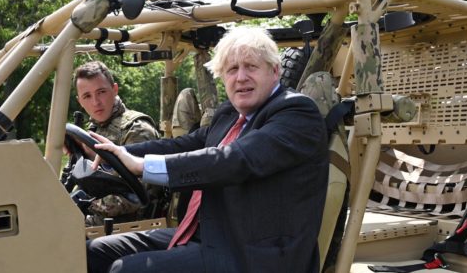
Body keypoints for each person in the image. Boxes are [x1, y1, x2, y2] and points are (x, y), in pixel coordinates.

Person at [86, 27, 329, 273]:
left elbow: (236, 159)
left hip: (257, 255)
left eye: (251, 67)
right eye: (232, 70)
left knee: (127, 270)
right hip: (211, 234)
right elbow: (182, 144)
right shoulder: (230, 114)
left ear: (274, 71)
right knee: (93, 251)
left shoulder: (297, 113)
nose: (241, 77)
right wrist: (114, 151)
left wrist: (143, 166)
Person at [72, 61, 161, 226]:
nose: (96, 102)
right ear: (80, 102)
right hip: (98, 220)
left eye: (101, 92)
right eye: (87, 96)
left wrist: (84, 204)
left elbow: (138, 196)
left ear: (114, 90)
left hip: (131, 226)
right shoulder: (93, 131)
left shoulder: (137, 129)